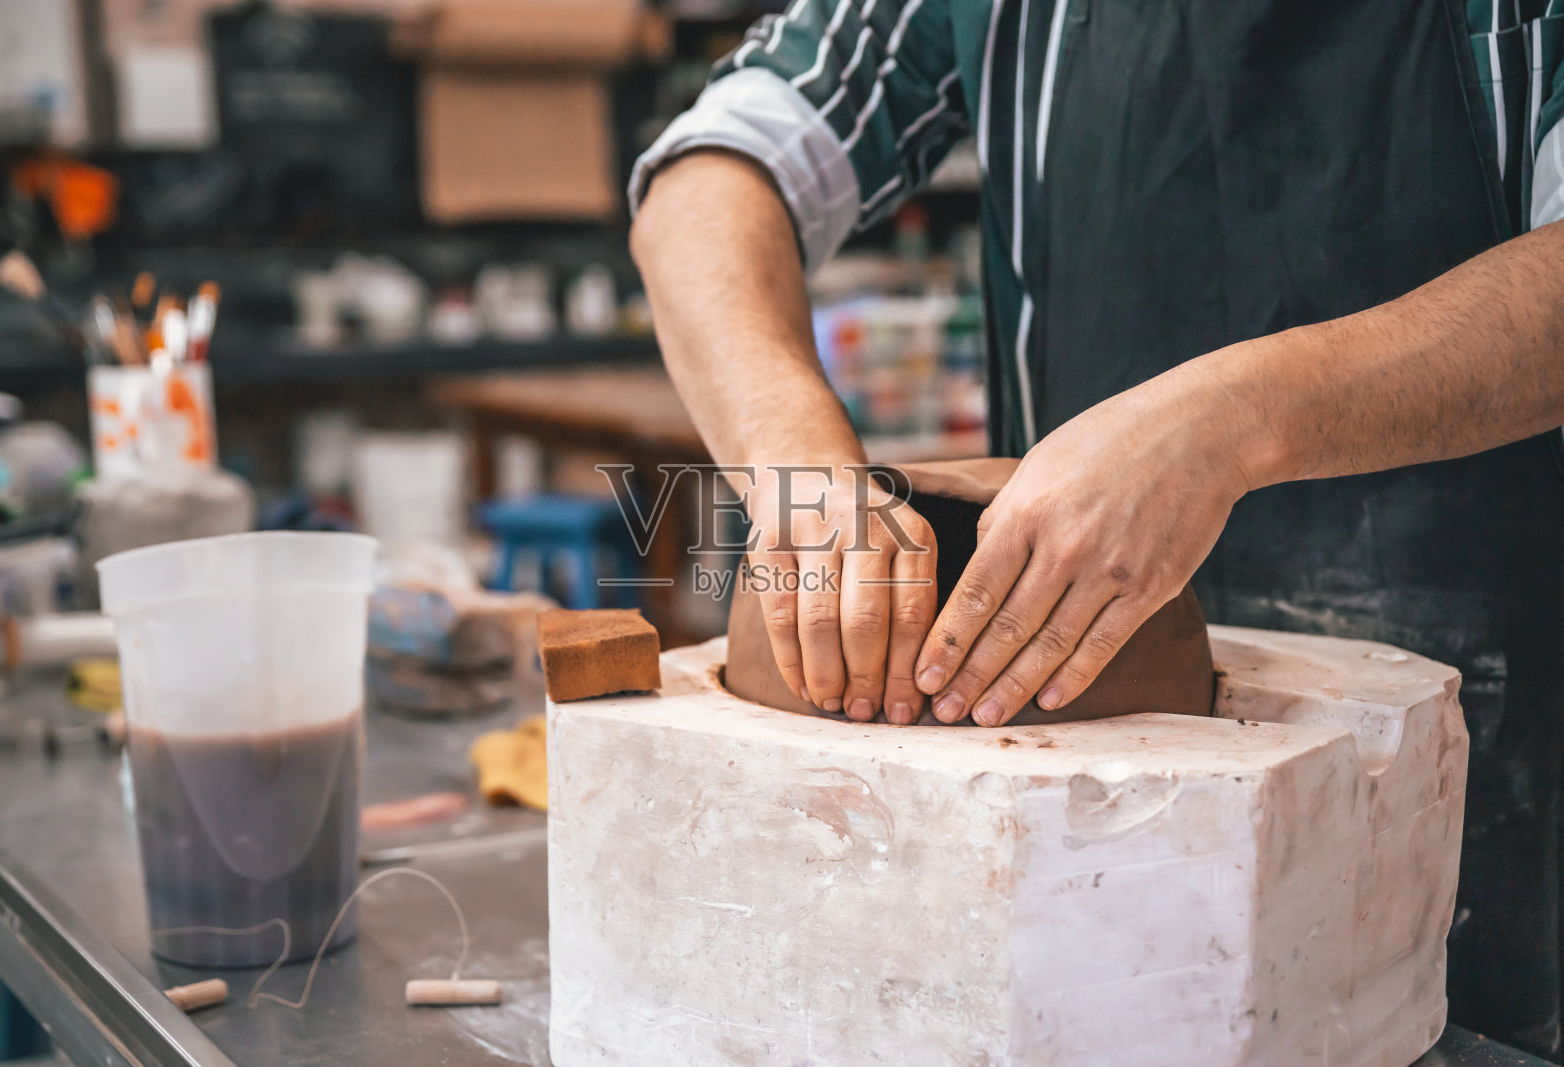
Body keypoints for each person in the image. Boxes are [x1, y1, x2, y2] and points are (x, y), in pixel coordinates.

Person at [629, 0, 1564, 1057]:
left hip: (1495, 737)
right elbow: (714, 169)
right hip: (1052, 756)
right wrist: (796, 461)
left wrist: (1235, 418)